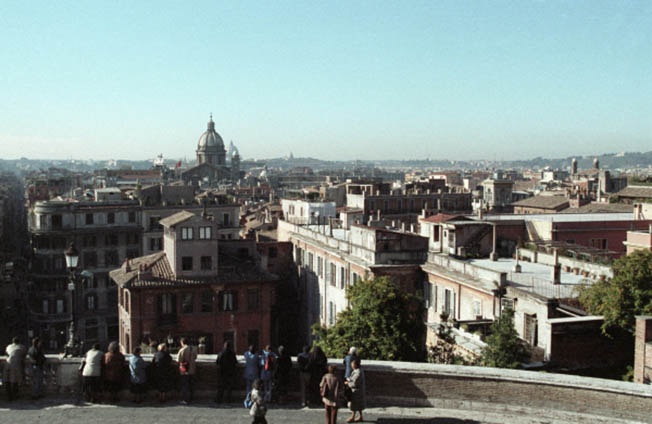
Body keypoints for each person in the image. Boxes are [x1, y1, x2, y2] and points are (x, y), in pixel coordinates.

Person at [5, 336, 27, 401]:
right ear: (19, 341)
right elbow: (24, 355)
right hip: (16, 364)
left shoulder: (8, 346)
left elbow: (6, 353)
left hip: (7, 363)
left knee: (7, 380)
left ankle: (9, 395)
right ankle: (14, 396)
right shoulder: (21, 347)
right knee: (15, 380)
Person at [177, 337, 198, 405]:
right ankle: (192, 397)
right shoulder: (194, 349)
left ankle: (185, 399)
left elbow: (178, 360)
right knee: (191, 384)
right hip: (192, 369)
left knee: (185, 385)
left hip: (184, 370)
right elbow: (195, 357)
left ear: (182, 342)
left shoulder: (182, 350)